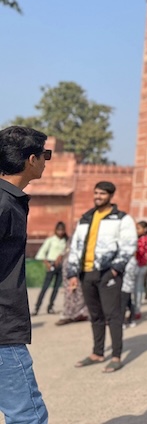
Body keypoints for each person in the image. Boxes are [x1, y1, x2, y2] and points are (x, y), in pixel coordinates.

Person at [0, 125, 51, 422]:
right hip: (2, 329)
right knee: (28, 416)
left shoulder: (9, 200)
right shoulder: (5, 204)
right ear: (31, 159)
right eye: (46, 154)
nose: (46, 160)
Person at [67, 181, 137, 374]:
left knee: (113, 315)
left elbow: (129, 245)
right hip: (86, 272)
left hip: (107, 273)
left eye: (102, 194)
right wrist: (73, 273)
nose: (98, 196)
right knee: (95, 315)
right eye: (96, 193)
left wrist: (115, 269)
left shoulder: (121, 219)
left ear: (110, 196)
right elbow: (75, 246)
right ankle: (98, 353)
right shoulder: (86, 218)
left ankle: (116, 356)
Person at [33, 220, 68, 315]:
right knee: (45, 287)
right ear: (56, 230)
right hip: (51, 265)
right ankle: (37, 307)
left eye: (62, 230)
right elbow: (41, 253)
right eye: (59, 230)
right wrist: (47, 263)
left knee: (56, 288)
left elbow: (67, 252)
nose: (60, 232)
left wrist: (61, 256)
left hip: (61, 266)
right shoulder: (51, 240)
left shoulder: (66, 241)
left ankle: (50, 307)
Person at [56, 245, 90, 326]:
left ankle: (81, 314)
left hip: (82, 269)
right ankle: (68, 315)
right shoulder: (72, 240)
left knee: (82, 293)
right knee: (70, 293)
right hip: (70, 271)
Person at [133, 221, 147, 319]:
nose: (136, 230)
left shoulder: (143, 240)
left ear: (145, 229)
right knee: (137, 288)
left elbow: (140, 252)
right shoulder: (145, 239)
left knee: (137, 289)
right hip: (141, 265)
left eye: (138, 228)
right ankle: (136, 309)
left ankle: (136, 309)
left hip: (139, 265)